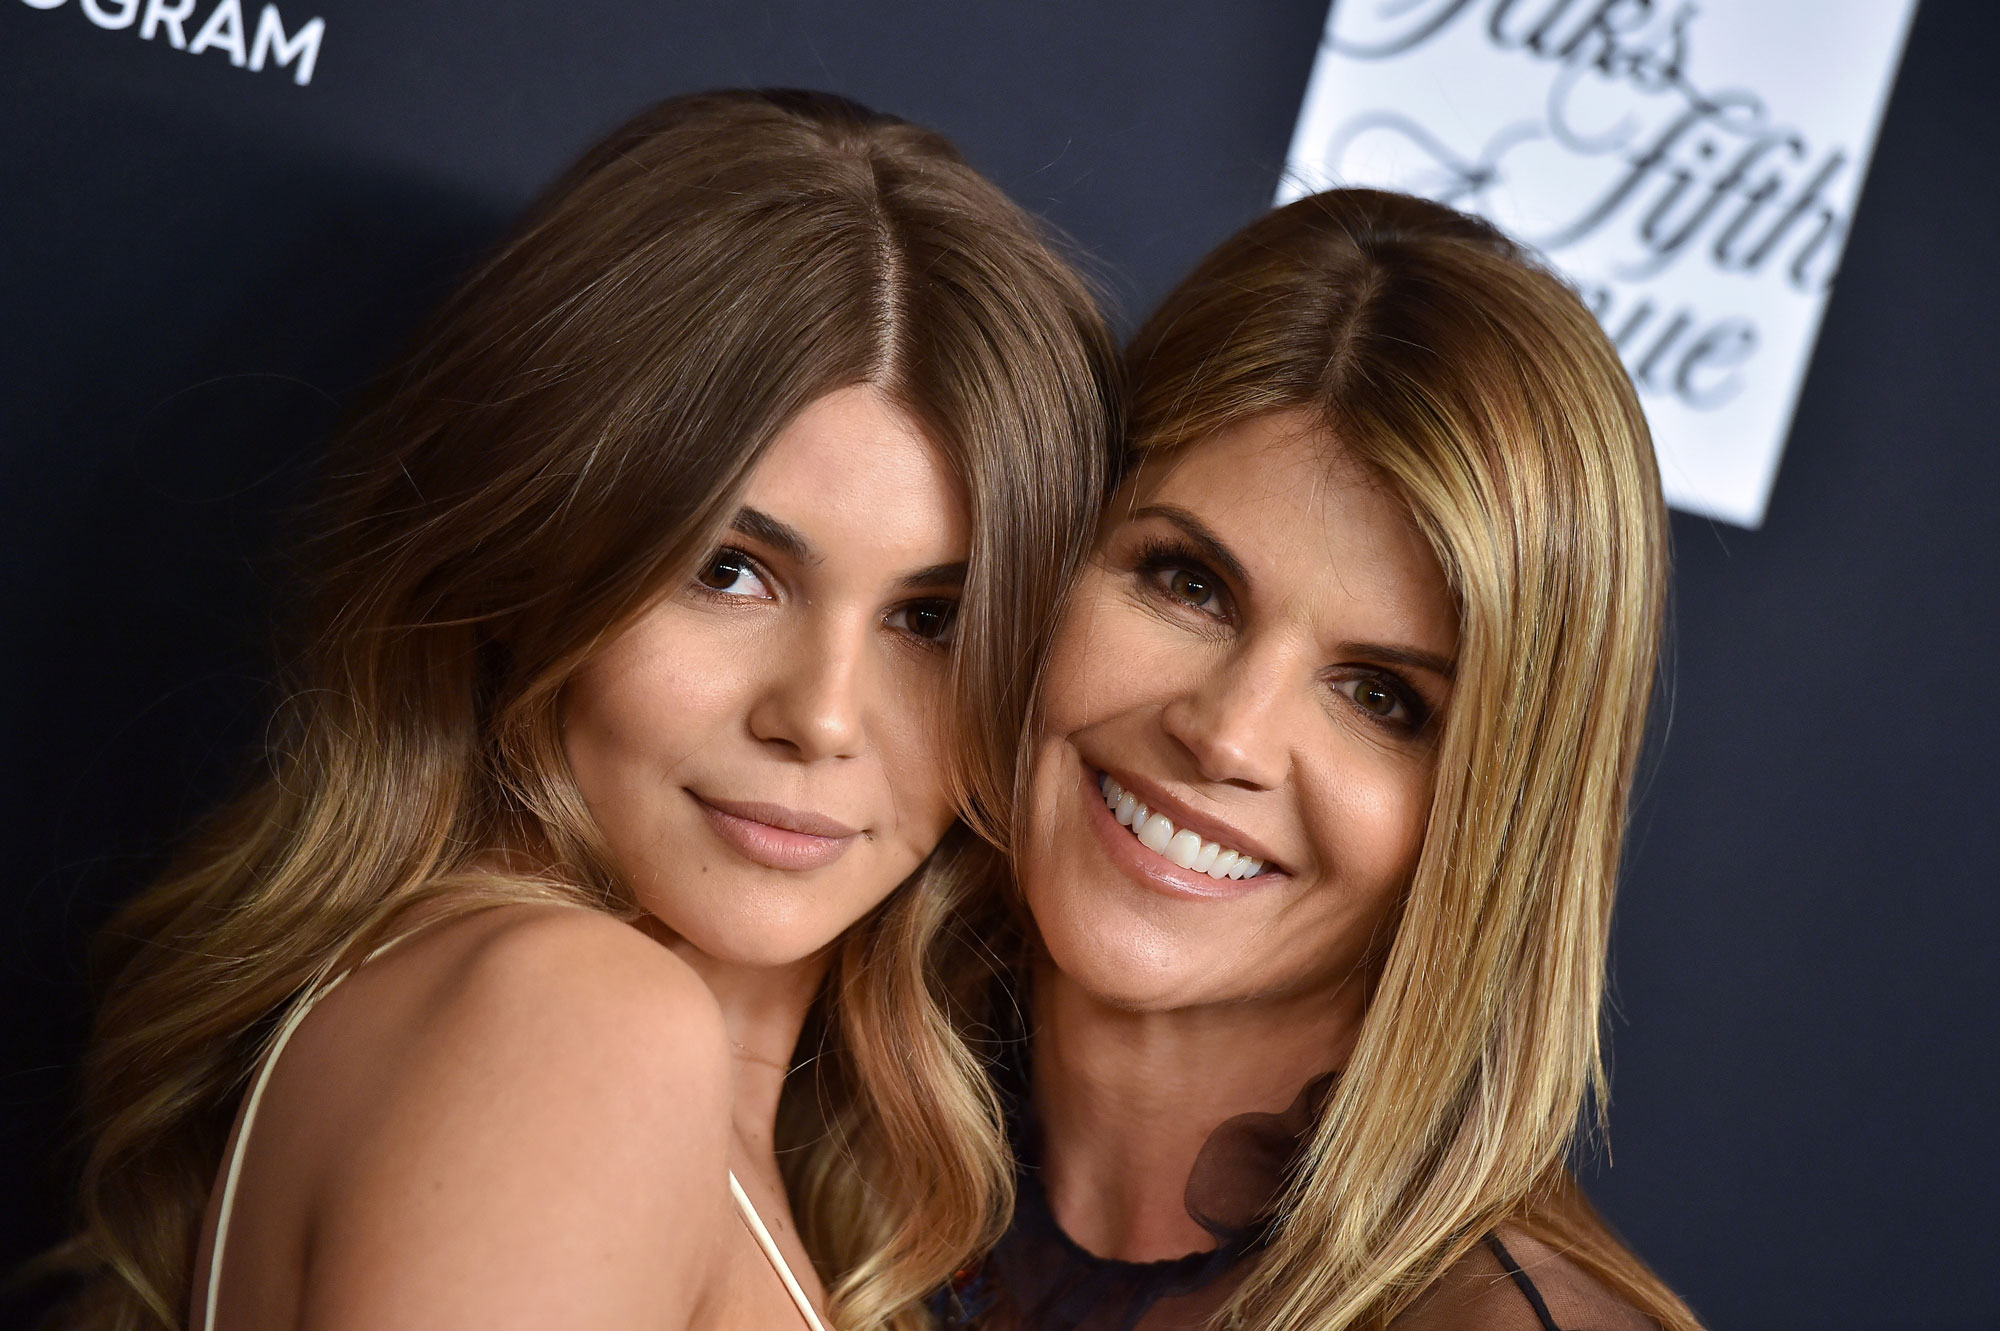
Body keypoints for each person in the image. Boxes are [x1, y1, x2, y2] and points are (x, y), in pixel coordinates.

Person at [51, 89, 1117, 1331]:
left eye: (931, 619)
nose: (821, 717)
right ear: (532, 557)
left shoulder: (602, 1055)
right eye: (729, 570)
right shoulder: (582, 1024)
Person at [938, 189, 1704, 1330]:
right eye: (1186, 582)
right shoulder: (792, 1120)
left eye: (1381, 698)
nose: (1228, 732)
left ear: (1498, 819)